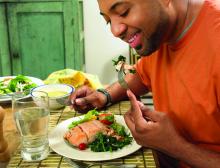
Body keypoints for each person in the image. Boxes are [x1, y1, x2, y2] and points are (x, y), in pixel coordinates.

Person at [70, 0, 220, 167]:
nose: (115, 30)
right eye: (108, 21)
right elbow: (141, 75)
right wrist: (104, 95)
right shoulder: (160, 35)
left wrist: (176, 147)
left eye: (123, 12)